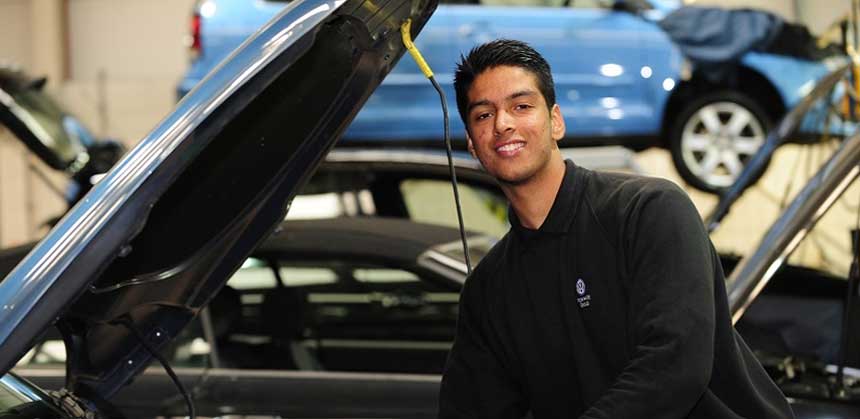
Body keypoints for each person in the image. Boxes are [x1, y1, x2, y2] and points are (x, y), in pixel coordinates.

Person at [438, 39, 794, 419]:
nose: (503, 124)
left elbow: (675, 364)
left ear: (556, 121)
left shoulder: (649, 211)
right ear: (472, 144)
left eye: (521, 106)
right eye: (483, 115)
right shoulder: (489, 290)